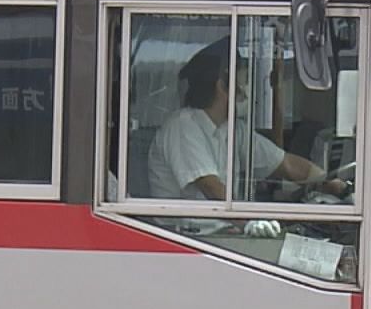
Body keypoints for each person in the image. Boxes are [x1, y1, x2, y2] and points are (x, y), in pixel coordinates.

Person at [145, 43, 348, 203]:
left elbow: (286, 164)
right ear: (222, 84)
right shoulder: (183, 126)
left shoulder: (233, 129)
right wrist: (250, 221)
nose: (248, 90)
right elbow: (210, 187)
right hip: (185, 242)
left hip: (222, 237)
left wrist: (329, 183)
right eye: (245, 80)